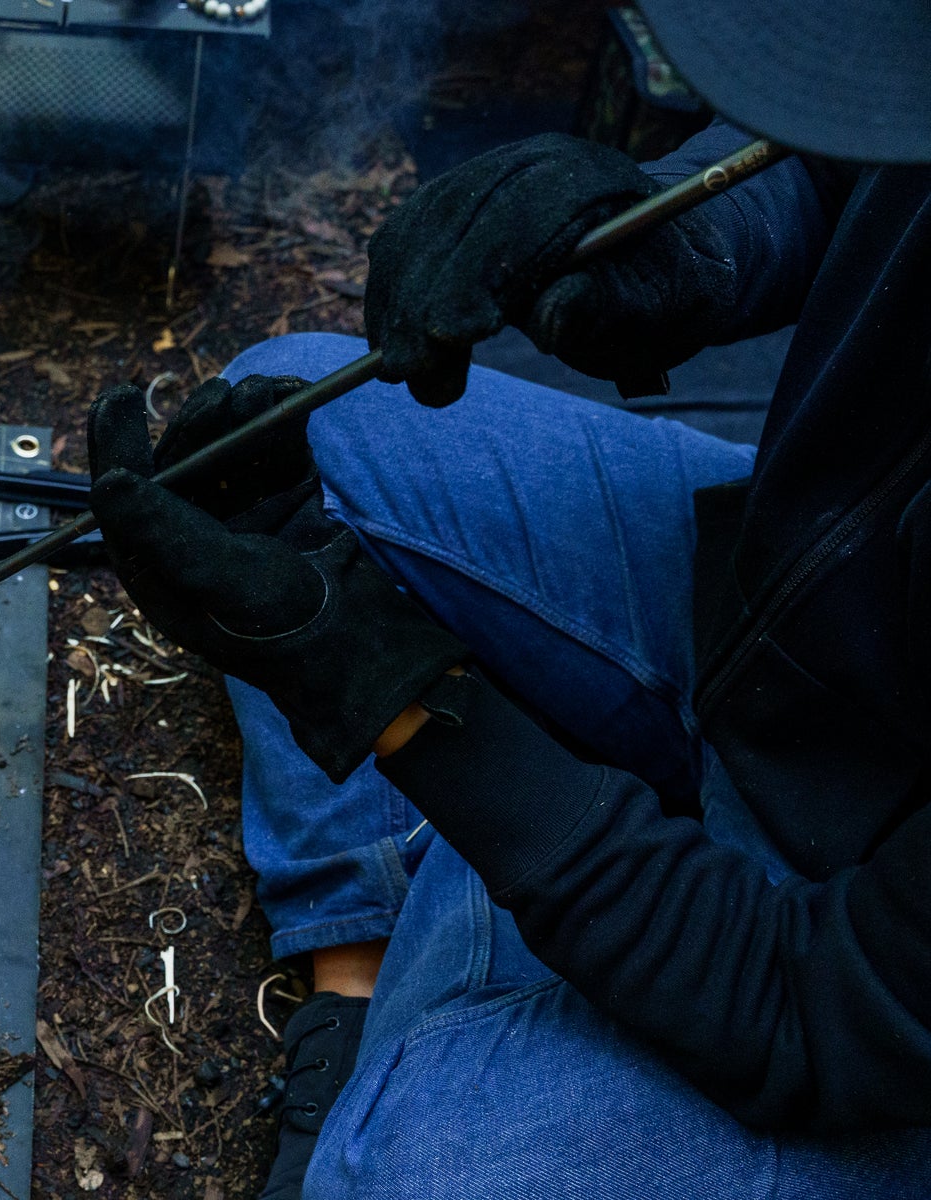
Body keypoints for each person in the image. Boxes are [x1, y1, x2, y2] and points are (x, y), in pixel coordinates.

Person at [86, 0, 931, 1196]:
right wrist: (659, 240)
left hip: (840, 968)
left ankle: (525, 879)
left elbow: (808, 1009)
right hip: (785, 619)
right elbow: (850, 160)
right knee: (295, 407)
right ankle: (369, 969)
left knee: (411, 1171)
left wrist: (396, 696)